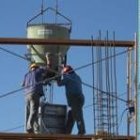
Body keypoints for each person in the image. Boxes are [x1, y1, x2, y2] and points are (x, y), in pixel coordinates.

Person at [57, 65, 86, 135]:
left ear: (67, 72)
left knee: (78, 115)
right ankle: (67, 132)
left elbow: (59, 83)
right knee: (72, 116)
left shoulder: (68, 77)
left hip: (75, 99)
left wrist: (59, 74)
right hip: (79, 98)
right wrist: (63, 71)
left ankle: (82, 131)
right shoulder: (77, 76)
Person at [22, 63, 47, 133]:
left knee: (28, 112)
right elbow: (46, 68)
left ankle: (34, 128)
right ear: (36, 68)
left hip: (26, 94)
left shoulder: (26, 75)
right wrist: (48, 60)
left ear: (31, 68)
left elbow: (22, 84)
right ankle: (29, 127)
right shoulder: (38, 71)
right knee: (34, 110)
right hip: (34, 92)